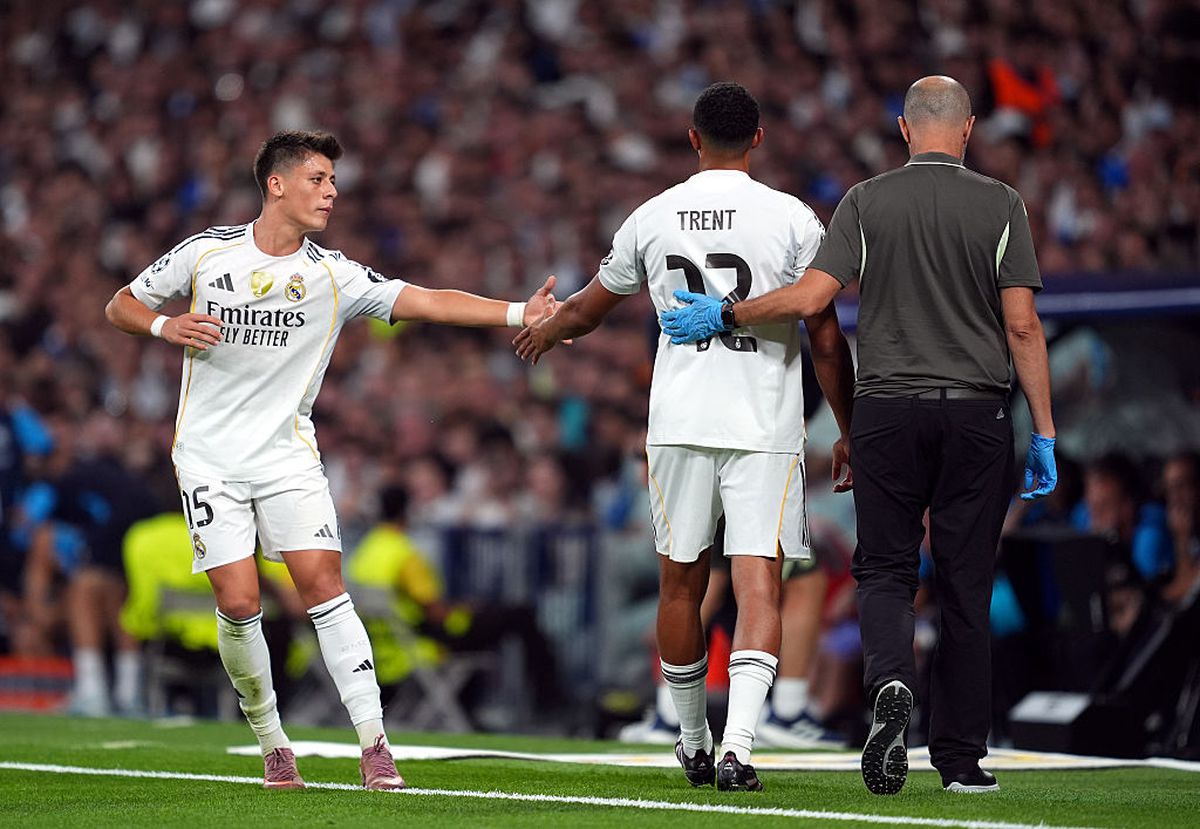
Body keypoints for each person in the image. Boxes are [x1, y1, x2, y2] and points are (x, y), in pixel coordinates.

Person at [105, 130, 558, 791]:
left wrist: (519, 309)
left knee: (323, 585)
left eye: (334, 181)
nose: (332, 192)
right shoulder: (205, 254)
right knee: (238, 600)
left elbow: (426, 299)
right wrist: (162, 326)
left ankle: (375, 745)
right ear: (277, 184)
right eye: (318, 179)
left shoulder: (332, 273)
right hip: (209, 459)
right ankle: (272, 743)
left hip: (287, 455)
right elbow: (120, 302)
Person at [659, 76, 1057, 795]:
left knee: (884, 570)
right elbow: (1022, 325)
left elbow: (813, 301)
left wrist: (725, 314)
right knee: (966, 582)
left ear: (905, 129)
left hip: (886, 412)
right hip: (976, 414)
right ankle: (962, 759)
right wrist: (1047, 431)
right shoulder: (1003, 205)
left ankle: (890, 685)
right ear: (966, 131)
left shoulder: (865, 203)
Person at [515, 82, 855, 791]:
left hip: (677, 422)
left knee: (681, 583)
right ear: (758, 138)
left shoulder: (653, 215)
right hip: (764, 423)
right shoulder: (793, 219)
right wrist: (848, 426)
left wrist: (547, 328)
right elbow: (825, 333)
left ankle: (694, 737)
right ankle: (739, 747)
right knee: (760, 581)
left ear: (692, 138)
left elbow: (588, 309)